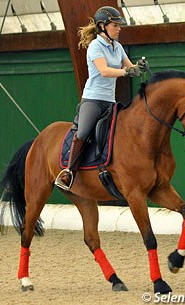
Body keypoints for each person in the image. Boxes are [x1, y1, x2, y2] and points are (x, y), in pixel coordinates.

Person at [56, 6, 142, 190]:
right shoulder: (95, 46)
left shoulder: (117, 47)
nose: (119, 28)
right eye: (115, 25)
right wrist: (127, 71)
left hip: (110, 101)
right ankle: (68, 172)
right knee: (83, 132)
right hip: (93, 100)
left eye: (119, 26)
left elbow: (129, 66)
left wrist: (138, 67)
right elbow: (104, 71)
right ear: (102, 26)